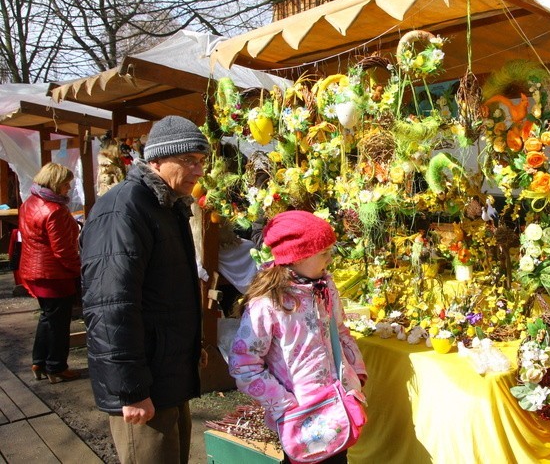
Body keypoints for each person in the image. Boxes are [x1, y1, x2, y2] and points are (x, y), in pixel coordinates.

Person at [80, 115, 210, 464]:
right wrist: (131, 389)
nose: (198, 171)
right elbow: (110, 307)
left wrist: (190, 346)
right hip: (144, 383)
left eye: (201, 162)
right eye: (188, 161)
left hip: (166, 374)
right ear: (156, 160)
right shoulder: (124, 209)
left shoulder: (165, 205)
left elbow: (167, 292)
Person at [228, 210, 368, 464]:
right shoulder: (268, 304)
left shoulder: (325, 288)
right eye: (323, 253)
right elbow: (244, 365)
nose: (330, 259)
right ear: (297, 256)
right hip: (302, 416)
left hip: (338, 404)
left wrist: (354, 373)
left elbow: (340, 330)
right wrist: (284, 404)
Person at [17, 162, 81, 384]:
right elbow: (63, 250)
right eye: (65, 184)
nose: (68, 188)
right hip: (54, 274)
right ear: (55, 184)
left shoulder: (30, 202)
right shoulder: (55, 211)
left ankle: (40, 361)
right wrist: (79, 270)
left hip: (34, 270)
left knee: (48, 318)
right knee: (58, 322)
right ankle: (56, 366)